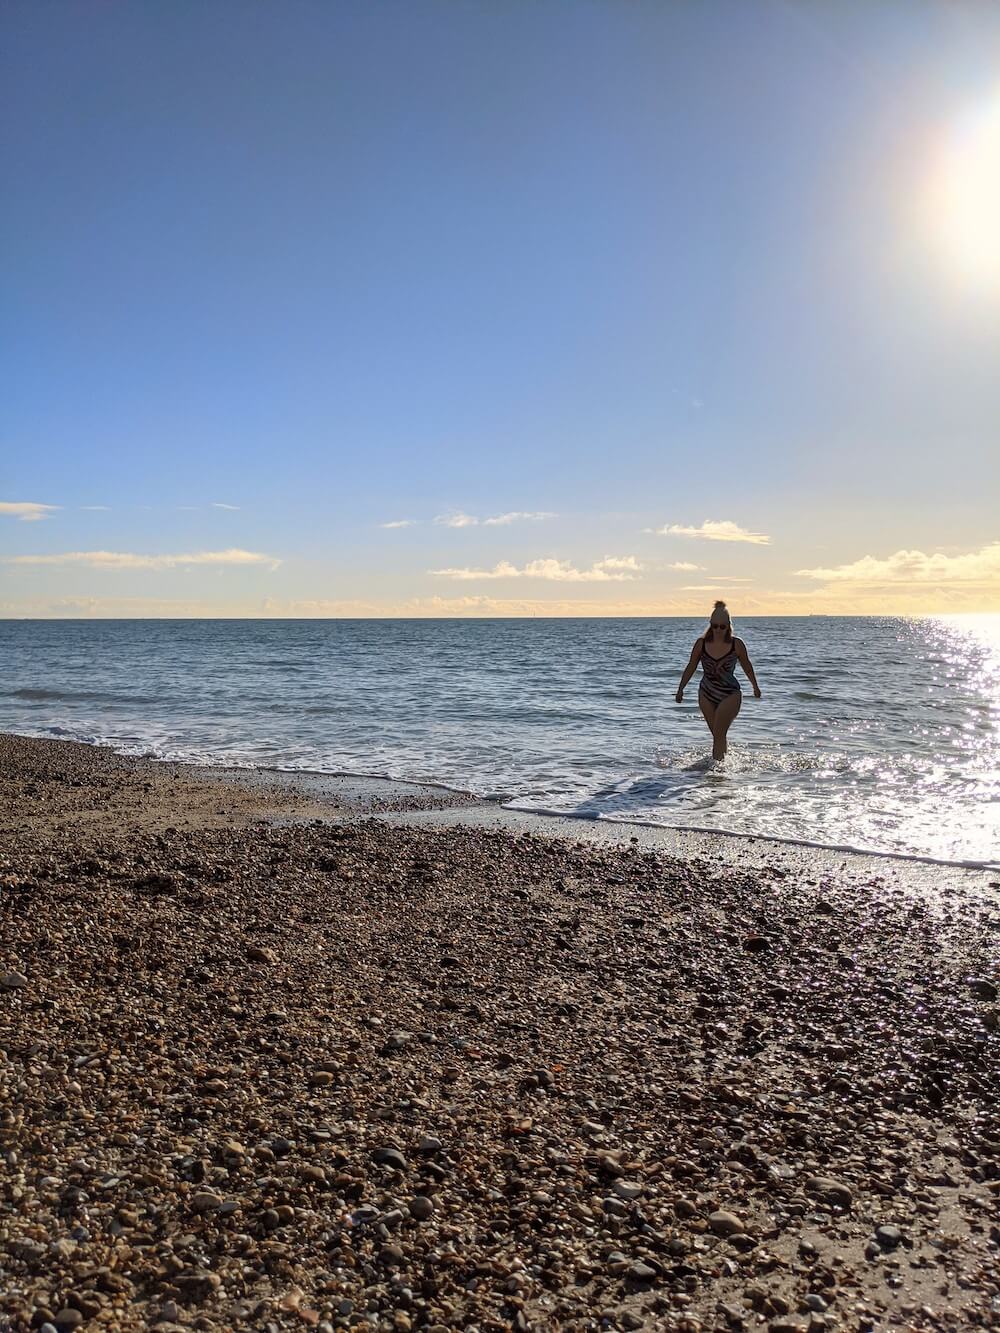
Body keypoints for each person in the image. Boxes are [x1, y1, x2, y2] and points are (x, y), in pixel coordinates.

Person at [675, 601, 761, 761]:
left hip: (730, 694)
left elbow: (747, 666)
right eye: (715, 626)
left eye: (722, 626)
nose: (718, 630)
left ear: (728, 625)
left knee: (719, 733)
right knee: (717, 734)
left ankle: (717, 770)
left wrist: (755, 687)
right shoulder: (701, 644)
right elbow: (691, 666)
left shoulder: (737, 644)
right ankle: (721, 767)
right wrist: (681, 689)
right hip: (706, 693)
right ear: (710, 625)